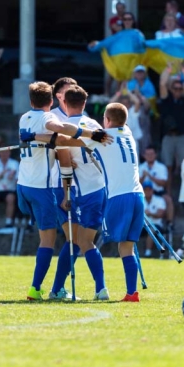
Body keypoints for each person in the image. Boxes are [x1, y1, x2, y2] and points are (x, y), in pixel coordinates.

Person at [29, 101, 144, 301]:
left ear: (106, 120)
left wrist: (34, 137)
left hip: (118, 197)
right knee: (127, 247)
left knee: (85, 241)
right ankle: (131, 293)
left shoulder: (103, 138)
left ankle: (99, 289)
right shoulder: (128, 134)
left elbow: (65, 139)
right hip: (138, 195)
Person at [17, 81, 109, 301]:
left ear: (63, 100)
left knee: (72, 241)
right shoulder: (91, 123)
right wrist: (89, 137)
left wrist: (38, 139)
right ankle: (92, 288)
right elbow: (61, 138)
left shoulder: (27, 118)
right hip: (88, 189)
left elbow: (61, 144)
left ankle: (50, 288)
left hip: (40, 185)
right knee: (80, 241)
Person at [48, 85, 110, 300]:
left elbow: (65, 165)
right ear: (85, 103)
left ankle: (61, 289)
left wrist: (66, 195)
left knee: (77, 241)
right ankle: (97, 289)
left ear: (64, 103)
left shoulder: (63, 128)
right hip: (100, 189)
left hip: (78, 192)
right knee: (80, 241)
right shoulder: (95, 125)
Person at [158, 62, 184, 191]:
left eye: (180, 88)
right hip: (168, 136)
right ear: (171, 89)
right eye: (175, 88)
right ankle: (168, 192)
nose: (178, 90)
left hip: (182, 137)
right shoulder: (166, 100)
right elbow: (162, 83)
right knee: (167, 166)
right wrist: (168, 69)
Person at [139, 145, 173, 229]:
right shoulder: (140, 167)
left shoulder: (161, 167)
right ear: (144, 155)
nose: (150, 156)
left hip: (158, 192)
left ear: (155, 155)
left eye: (152, 154)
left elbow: (163, 183)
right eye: (148, 154)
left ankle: (169, 223)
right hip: (144, 192)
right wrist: (143, 176)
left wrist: (150, 176)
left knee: (168, 200)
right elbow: (136, 184)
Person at [142, 183, 166, 257]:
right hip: (142, 225)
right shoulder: (140, 200)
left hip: (157, 225)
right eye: (145, 190)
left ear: (152, 191)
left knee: (151, 229)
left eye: (149, 190)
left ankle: (148, 253)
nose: (147, 191)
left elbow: (160, 215)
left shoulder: (159, 200)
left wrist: (150, 213)